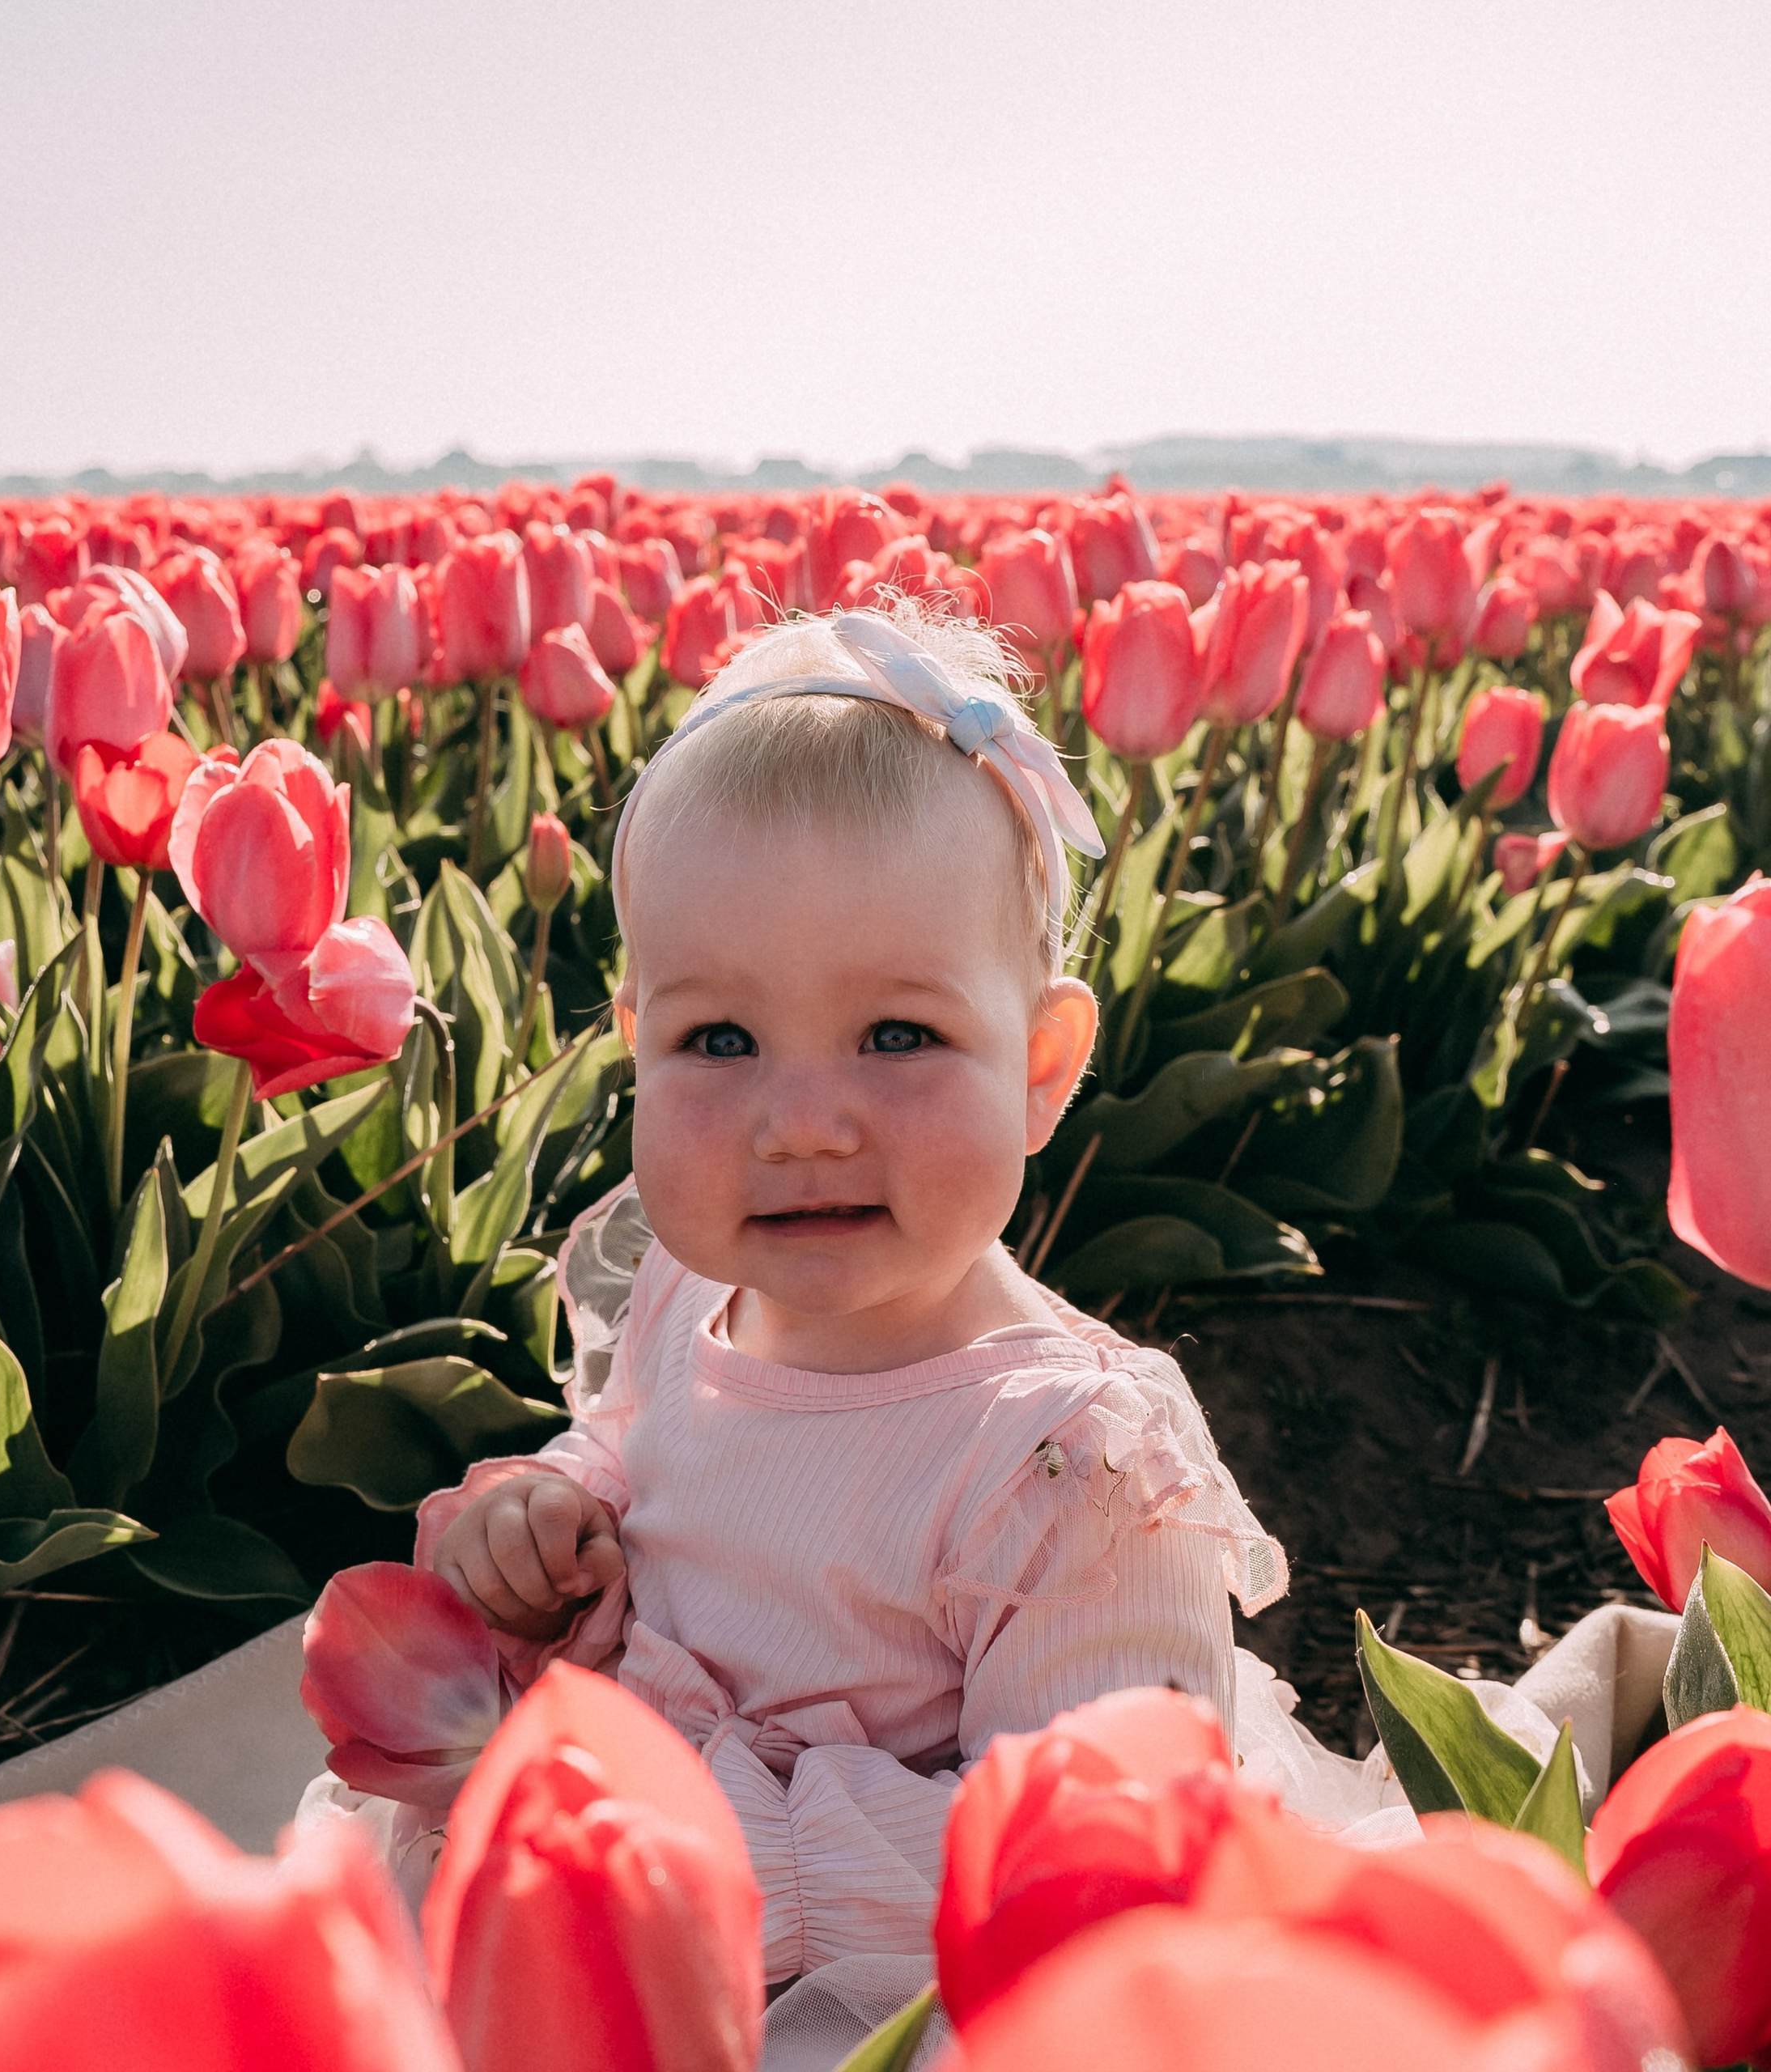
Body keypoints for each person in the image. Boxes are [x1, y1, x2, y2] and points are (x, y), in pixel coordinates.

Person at [303, 598, 1286, 1992]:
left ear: (1041, 1067)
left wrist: (712, 1857)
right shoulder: (688, 1288)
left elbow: (1088, 1856)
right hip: (610, 1864)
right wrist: (555, 1519)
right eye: (721, 1040)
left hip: (857, 1977)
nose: (804, 1124)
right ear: (636, 1046)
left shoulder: (1071, 1470)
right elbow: (636, 1448)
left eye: (897, 1034)